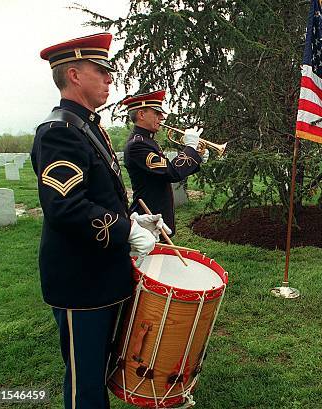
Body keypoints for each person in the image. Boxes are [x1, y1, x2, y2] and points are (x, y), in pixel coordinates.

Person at [32, 33, 164, 409]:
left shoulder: (86, 125)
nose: (110, 79)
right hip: (80, 280)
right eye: (101, 71)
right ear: (74, 75)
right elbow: (66, 207)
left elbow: (98, 194)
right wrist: (125, 231)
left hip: (101, 273)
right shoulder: (59, 132)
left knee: (102, 369)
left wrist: (135, 219)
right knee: (86, 384)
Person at [123, 90, 203, 237]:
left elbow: (165, 173)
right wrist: (190, 149)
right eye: (157, 113)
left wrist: (197, 156)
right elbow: (171, 173)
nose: (162, 117)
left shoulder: (148, 141)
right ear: (141, 114)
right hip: (148, 218)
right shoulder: (138, 145)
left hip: (156, 213)